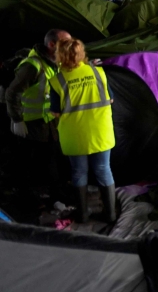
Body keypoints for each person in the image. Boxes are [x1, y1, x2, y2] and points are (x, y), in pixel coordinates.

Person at [48, 39, 116, 224]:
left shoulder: (57, 81)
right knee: (103, 170)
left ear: (59, 56)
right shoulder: (98, 72)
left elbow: (55, 111)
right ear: (81, 53)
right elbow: (110, 100)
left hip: (75, 134)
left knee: (78, 172)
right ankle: (110, 215)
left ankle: (83, 215)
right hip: (100, 131)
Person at [5, 29, 72, 199]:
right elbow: (13, 93)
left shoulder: (55, 61)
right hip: (30, 123)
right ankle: (23, 195)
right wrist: (17, 119)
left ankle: (53, 193)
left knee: (49, 158)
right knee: (26, 160)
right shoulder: (32, 66)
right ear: (51, 45)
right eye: (66, 41)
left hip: (47, 121)